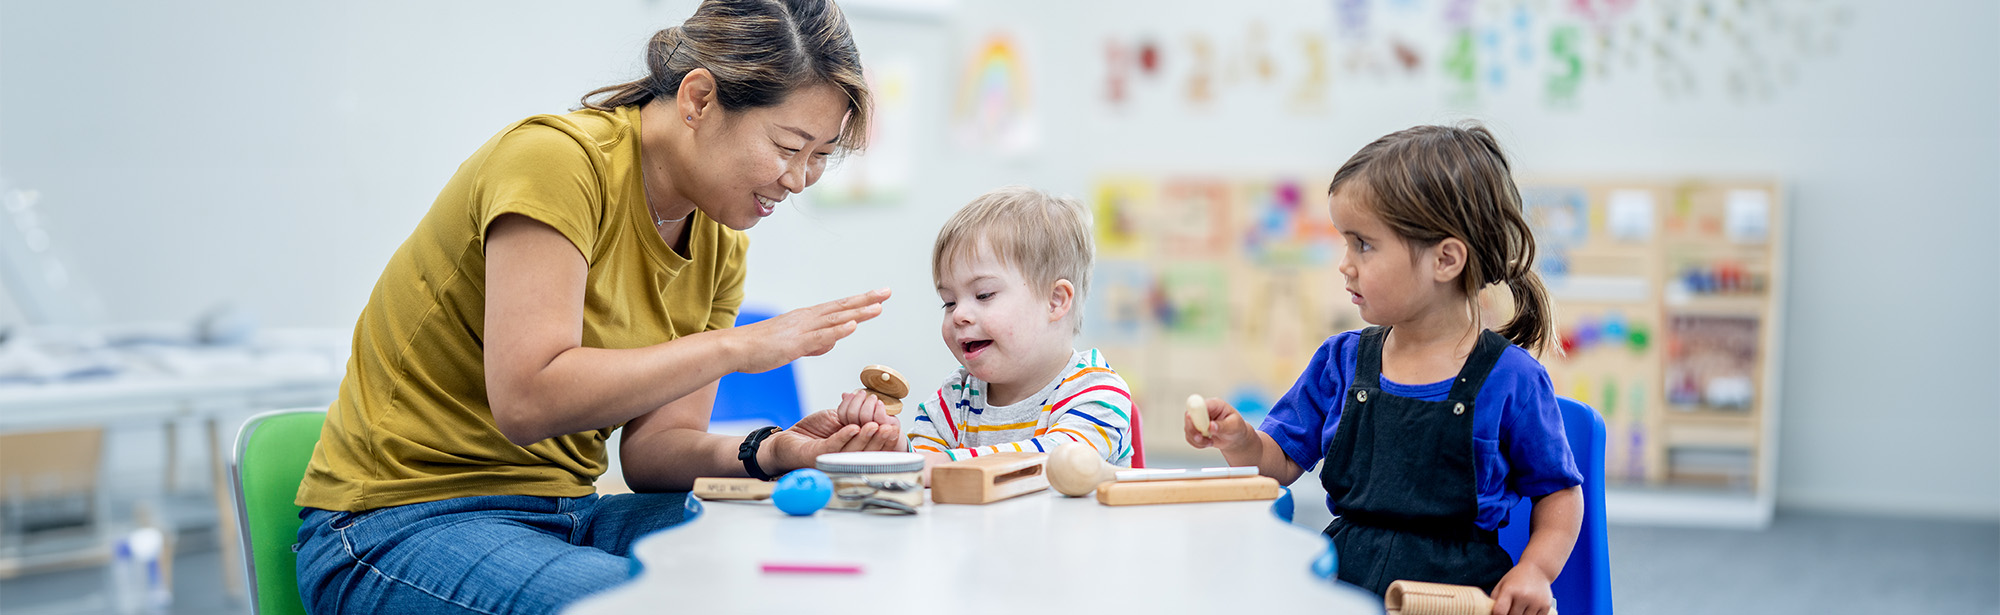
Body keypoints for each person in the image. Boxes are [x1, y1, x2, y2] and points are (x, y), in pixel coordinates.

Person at [292, 2, 902, 613]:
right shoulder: (556, 162)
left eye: (820, 156)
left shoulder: (718, 240)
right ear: (698, 100)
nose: (798, 180)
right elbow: (528, 400)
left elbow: (654, 452)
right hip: (401, 523)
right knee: (657, 603)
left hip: (569, 515)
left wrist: (774, 451)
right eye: (787, 145)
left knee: (806, 547)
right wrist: (741, 347)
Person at [1185, 124, 1584, 615]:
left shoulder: (1513, 379)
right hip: (1344, 580)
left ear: (1446, 259)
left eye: (1364, 245)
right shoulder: (1341, 361)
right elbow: (1280, 463)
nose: (1344, 264)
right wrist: (1240, 440)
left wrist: (1534, 571)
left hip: (1457, 597)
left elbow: (1560, 494)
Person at [898, 186, 1134, 468]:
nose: (959, 314)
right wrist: (893, 446)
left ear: (1055, 301)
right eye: (948, 302)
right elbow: (920, 467)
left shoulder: (1097, 392)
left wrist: (937, 464)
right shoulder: (953, 399)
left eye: (983, 295)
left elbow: (1056, 462)